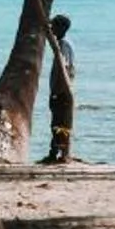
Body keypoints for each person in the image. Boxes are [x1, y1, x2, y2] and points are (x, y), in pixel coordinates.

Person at [42, 14, 76, 164]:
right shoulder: (61, 43)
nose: (52, 29)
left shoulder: (63, 45)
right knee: (57, 123)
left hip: (62, 90)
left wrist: (58, 89)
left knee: (60, 123)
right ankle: (55, 152)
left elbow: (65, 68)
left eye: (54, 26)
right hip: (60, 89)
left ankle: (60, 154)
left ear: (62, 28)